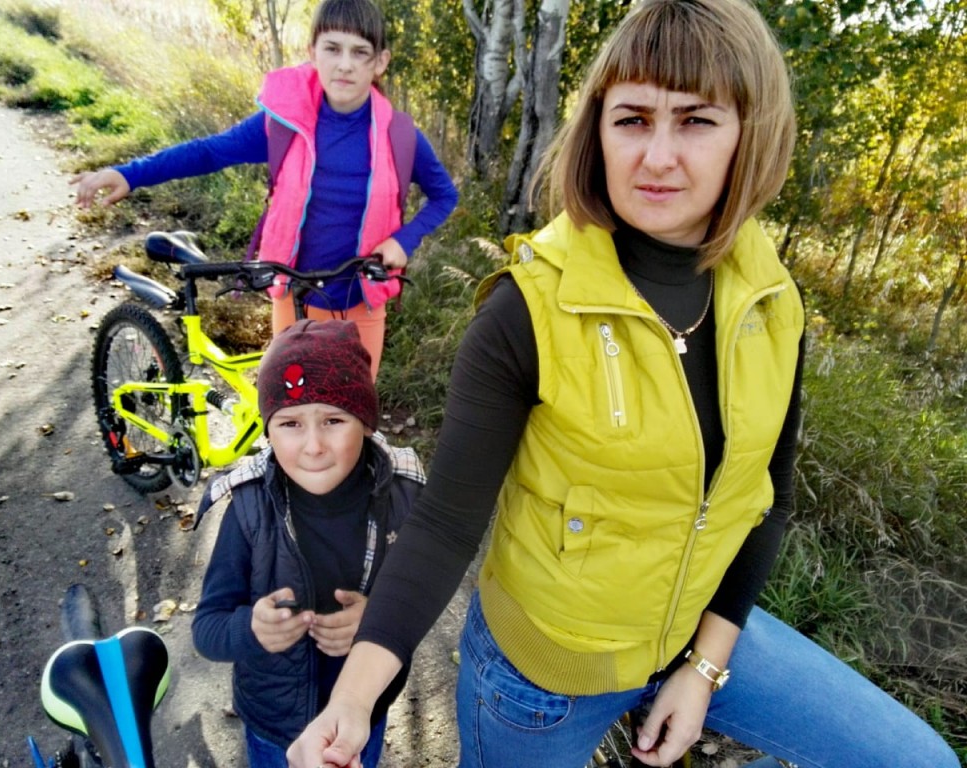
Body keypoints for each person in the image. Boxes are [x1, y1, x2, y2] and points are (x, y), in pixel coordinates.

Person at [285, 1, 960, 767]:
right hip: (542, 685)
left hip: (697, 631)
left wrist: (703, 670)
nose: (658, 157)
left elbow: (766, 493)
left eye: (696, 120)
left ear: (751, 133)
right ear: (597, 132)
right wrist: (353, 700)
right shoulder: (525, 311)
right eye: (633, 119)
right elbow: (443, 526)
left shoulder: (770, 298)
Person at [72, 0, 457, 379]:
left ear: (380, 62)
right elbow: (209, 152)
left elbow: (444, 195)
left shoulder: (400, 136)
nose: (345, 64)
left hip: (362, 302)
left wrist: (404, 240)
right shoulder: (283, 124)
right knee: (289, 407)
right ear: (312, 52)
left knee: (353, 410)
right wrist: (130, 174)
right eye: (333, 48)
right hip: (292, 296)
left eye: (360, 52)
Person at [190, 319, 425, 768]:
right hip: (275, 728)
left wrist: (379, 622)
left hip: (363, 719)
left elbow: (421, 598)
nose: (313, 446)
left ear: (366, 423)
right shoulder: (249, 508)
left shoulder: (402, 497)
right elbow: (207, 629)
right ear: (268, 431)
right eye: (291, 423)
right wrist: (251, 630)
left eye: (333, 420)